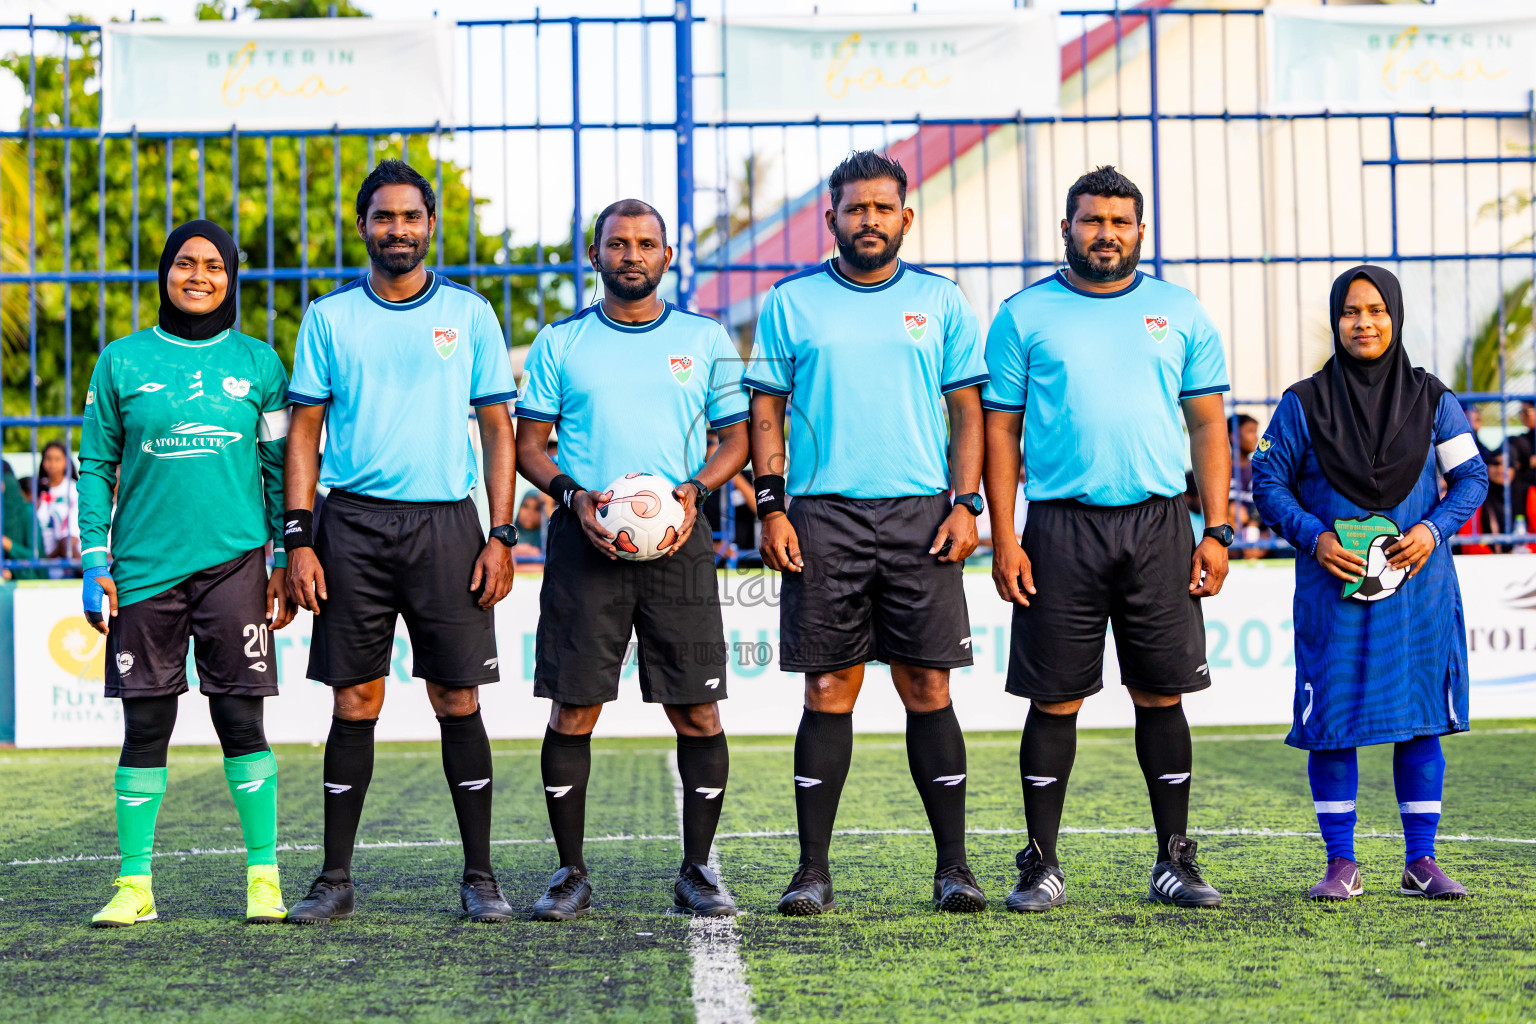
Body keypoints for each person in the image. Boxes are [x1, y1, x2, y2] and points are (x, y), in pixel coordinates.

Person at [981, 166, 1232, 912]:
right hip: (1060, 526)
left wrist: (1216, 528)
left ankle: (1175, 858)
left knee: (1161, 694)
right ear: (1067, 228)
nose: (1106, 234)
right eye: (1092, 221)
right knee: (1054, 699)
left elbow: (1209, 424)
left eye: (1121, 222)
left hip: (1160, 524)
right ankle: (1041, 862)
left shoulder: (1178, 310)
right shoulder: (1023, 315)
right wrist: (1004, 534)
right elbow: (1001, 429)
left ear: (1141, 232)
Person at [745, 150, 989, 916]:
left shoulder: (942, 301)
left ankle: (954, 868)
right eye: (856, 209)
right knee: (828, 687)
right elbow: (765, 413)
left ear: (905, 218)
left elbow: (968, 412)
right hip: (823, 516)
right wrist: (771, 506)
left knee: (928, 686)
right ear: (833, 219)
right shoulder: (791, 302)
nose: (870, 220)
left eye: (884, 208)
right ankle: (811, 871)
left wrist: (967, 503)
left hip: (922, 513)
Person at [282, 160, 519, 925]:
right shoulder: (329, 317)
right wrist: (300, 539)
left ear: (430, 224)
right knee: (356, 698)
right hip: (350, 524)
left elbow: (496, 427)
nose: (397, 230)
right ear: (363, 226)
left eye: (410, 217)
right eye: (383, 217)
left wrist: (503, 532)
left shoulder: (472, 314)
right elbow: (305, 431)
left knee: (457, 697)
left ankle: (480, 877)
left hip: (449, 523)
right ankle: (335, 879)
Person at [516, 198, 749, 921]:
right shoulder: (561, 342)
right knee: (574, 707)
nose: (632, 256)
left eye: (647, 243)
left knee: (698, 709)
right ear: (596, 256)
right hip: (586, 542)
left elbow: (734, 440)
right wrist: (574, 495)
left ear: (667, 256)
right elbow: (530, 445)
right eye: (618, 244)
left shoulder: (705, 339)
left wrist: (693, 493)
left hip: (678, 545)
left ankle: (698, 870)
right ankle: (570, 874)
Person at [76, 219, 294, 926]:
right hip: (143, 571)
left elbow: (278, 472)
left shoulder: (260, 365)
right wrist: (91, 558)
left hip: (235, 565)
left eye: (214, 266)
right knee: (146, 725)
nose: (198, 276)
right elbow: (96, 466)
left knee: (239, 717)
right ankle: (134, 885)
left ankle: (264, 875)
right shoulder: (121, 362)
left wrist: (284, 559)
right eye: (185, 264)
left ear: (232, 278)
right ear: (165, 272)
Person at [1252, 265, 1488, 901]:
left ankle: (1421, 862)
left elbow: (1472, 479)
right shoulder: (1303, 403)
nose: (1364, 323)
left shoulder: (1434, 399)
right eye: (1352, 312)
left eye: (1377, 311)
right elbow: (1267, 484)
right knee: (1333, 720)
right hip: (1334, 586)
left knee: (1420, 721)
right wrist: (1315, 536)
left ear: (1396, 318)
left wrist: (1434, 530)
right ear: (1336, 322)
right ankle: (1340, 864)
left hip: (1419, 587)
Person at [35, 439, 81, 571]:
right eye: (48, 459)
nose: (52, 464)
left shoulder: (73, 489)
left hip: (69, 552)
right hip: (42, 553)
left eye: (57, 459)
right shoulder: (36, 487)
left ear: (66, 462)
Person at [512, 490, 546, 561]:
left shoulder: (547, 539)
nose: (530, 512)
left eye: (537, 509)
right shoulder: (507, 535)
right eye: (526, 506)